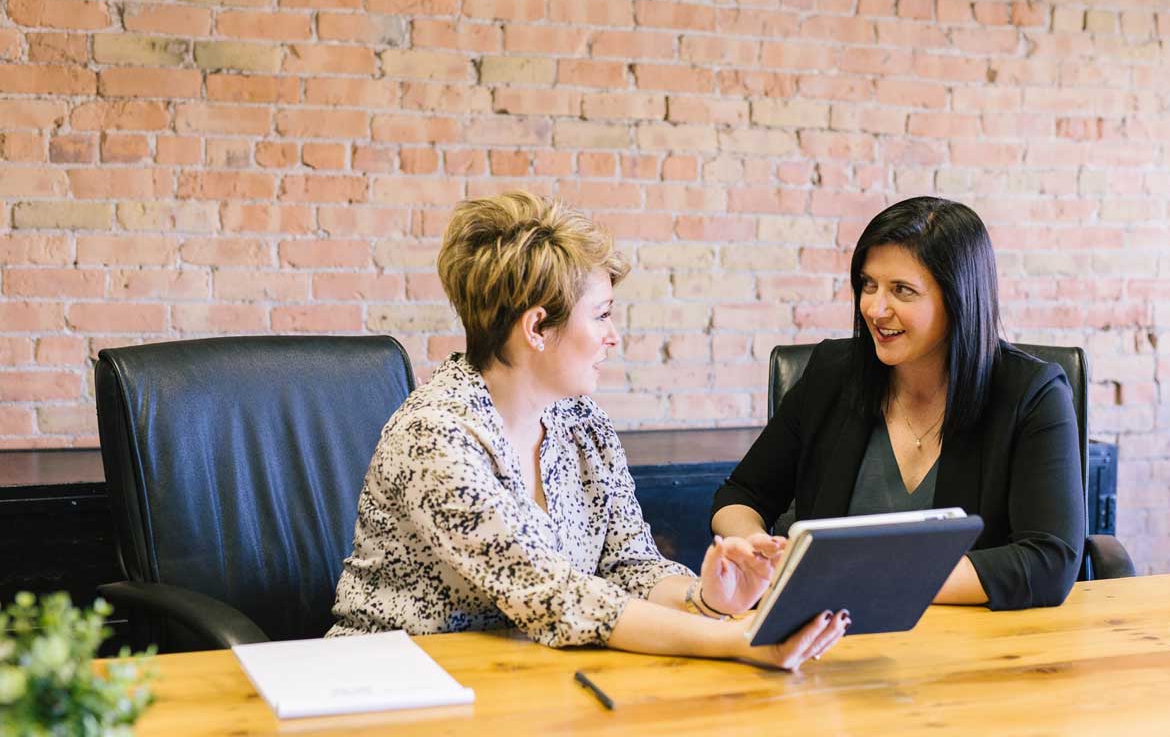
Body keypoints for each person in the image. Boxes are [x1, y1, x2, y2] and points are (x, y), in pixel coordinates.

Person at [328, 191, 846, 669]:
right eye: (601, 315)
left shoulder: (581, 423)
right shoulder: (435, 437)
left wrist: (707, 598)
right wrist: (738, 640)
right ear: (536, 328)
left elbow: (630, 564)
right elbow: (556, 596)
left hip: (526, 678)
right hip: (391, 684)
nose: (613, 337)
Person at [711, 196, 1086, 610]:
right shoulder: (832, 374)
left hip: (972, 643)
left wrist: (868, 580)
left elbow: (1049, 561)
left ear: (958, 298)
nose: (874, 308)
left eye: (902, 291)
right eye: (868, 285)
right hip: (828, 636)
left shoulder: (1032, 394)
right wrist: (753, 549)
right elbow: (741, 494)